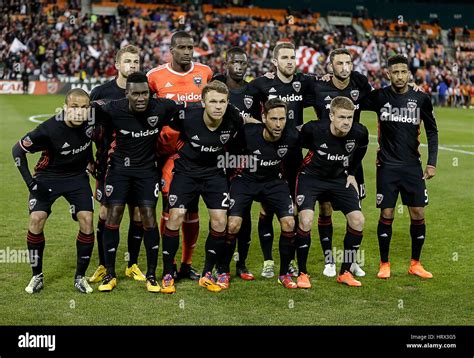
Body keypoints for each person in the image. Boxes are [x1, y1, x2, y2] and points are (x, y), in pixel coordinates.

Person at [93, 72, 185, 293]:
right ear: (127, 94)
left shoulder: (162, 107)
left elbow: (186, 113)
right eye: (136, 94)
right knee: (113, 214)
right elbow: (88, 112)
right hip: (119, 170)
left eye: (145, 93)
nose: (141, 98)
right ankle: (110, 274)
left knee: (148, 218)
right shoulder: (113, 108)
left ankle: (152, 275)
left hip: (146, 171)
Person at [160, 80, 252, 294]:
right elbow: (167, 137)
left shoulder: (234, 119)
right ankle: (167, 272)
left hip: (214, 174)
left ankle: (208, 272)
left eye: (222, 101)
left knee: (220, 221)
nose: (218, 106)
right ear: (203, 103)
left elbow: (238, 145)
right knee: (175, 217)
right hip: (186, 172)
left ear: (228, 102)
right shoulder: (186, 116)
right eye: (213, 101)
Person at [360, 54, 438, 280]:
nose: (400, 76)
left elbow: (432, 131)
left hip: (413, 166)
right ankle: (385, 264)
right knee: (387, 212)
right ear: (388, 74)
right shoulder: (379, 97)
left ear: (409, 73)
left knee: (418, 213)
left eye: (404, 72)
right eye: (396, 72)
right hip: (387, 166)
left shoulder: (421, 99)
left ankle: (416, 263)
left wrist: (432, 162)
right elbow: (354, 98)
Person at [12, 89, 95, 294]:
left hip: (77, 178)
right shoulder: (48, 129)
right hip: (48, 177)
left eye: (84, 108)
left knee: (86, 220)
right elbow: (17, 150)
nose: (79, 112)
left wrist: (92, 163)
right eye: (74, 107)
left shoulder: (92, 123)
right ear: (66, 108)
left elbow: (87, 145)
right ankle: (36, 275)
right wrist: (31, 184)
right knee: (36, 219)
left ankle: (80, 277)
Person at [147, 31, 213, 281]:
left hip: (196, 153)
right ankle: (170, 263)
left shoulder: (205, 73)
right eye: (182, 47)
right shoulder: (154, 77)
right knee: (171, 207)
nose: (187, 51)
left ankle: (186, 264)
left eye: (190, 47)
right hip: (165, 153)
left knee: (192, 211)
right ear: (171, 50)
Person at [248, 41, 315, 278]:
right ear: (274, 62)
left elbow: (327, 92)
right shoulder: (260, 84)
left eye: (292, 57)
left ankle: (291, 261)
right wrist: (259, 126)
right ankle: (268, 261)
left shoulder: (304, 82)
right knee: (267, 209)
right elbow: (242, 107)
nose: (290, 62)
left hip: (294, 155)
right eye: (284, 58)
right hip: (269, 156)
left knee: (294, 211)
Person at [304, 48, 372, 278]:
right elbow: (295, 91)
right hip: (324, 160)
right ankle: (329, 260)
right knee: (325, 209)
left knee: (357, 210)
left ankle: (351, 262)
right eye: (339, 63)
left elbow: (378, 98)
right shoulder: (318, 86)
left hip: (350, 159)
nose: (344, 67)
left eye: (348, 63)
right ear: (330, 66)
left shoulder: (360, 83)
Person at [220, 98, 298, 289]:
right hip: (246, 181)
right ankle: (223, 271)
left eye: (282, 119)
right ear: (263, 118)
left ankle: (284, 273)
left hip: (274, 182)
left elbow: (294, 166)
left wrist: (293, 197)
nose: (278, 124)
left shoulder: (292, 136)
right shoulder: (248, 133)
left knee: (289, 222)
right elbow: (229, 155)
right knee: (233, 224)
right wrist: (231, 180)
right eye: (273, 119)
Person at [295, 96, 369, 287]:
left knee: (358, 220)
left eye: (350, 117)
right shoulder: (314, 129)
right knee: (305, 219)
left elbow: (361, 150)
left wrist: (351, 173)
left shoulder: (359, 132)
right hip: (311, 177)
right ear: (331, 115)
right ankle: (302, 273)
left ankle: (345, 272)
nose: (346, 122)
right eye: (342, 117)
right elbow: (295, 145)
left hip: (338, 179)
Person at [88, 44, 146, 284]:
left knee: (138, 215)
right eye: (128, 62)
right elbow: (86, 129)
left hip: (139, 165)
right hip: (108, 165)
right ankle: (103, 265)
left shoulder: (144, 90)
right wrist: (89, 160)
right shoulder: (101, 93)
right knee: (105, 213)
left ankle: (132, 264)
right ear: (117, 65)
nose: (132, 66)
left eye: (136, 62)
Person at [212, 47, 261, 281]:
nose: (240, 66)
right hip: (218, 157)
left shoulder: (253, 91)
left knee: (243, 211)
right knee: (221, 212)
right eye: (235, 62)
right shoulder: (216, 86)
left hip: (243, 159)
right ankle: (219, 262)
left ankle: (241, 263)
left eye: (243, 62)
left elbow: (259, 122)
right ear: (226, 63)